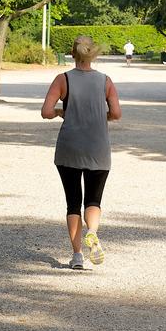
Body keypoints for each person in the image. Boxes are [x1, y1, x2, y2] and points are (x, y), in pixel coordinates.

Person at [41, 35, 122, 270]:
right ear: (92, 54)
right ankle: (93, 232)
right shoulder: (105, 81)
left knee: (72, 202)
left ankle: (77, 255)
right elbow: (116, 113)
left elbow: (46, 111)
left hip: (69, 147)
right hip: (98, 147)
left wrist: (59, 111)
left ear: (72, 52)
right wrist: (101, 115)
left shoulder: (62, 79)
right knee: (94, 200)